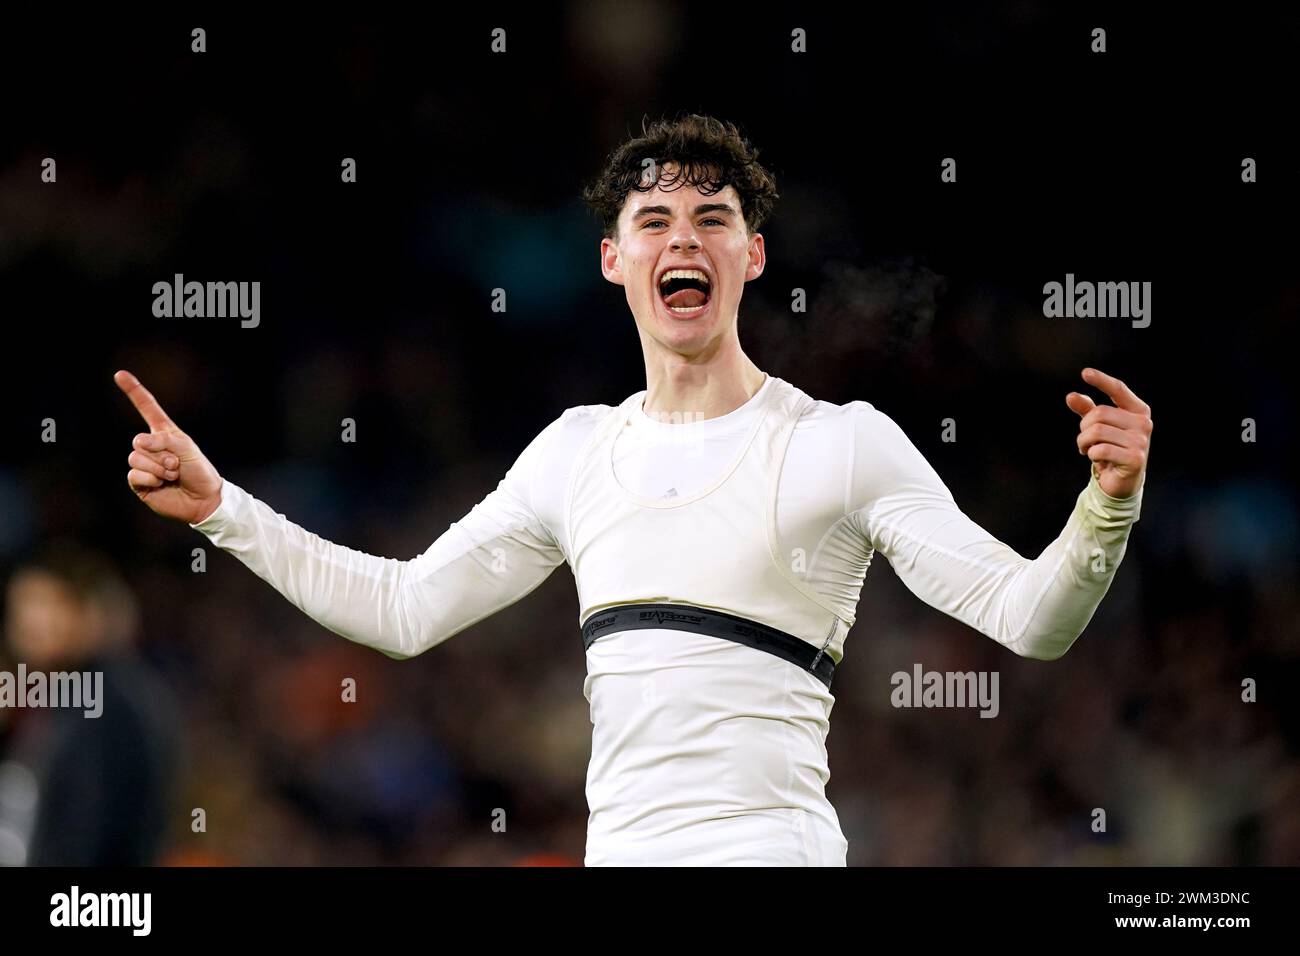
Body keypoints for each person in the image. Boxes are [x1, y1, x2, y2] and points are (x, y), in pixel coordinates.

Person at [114, 113, 1153, 866]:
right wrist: (222, 507)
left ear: (751, 253)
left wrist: (1105, 503)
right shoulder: (574, 451)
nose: (682, 238)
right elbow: (403, 608)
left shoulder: (840, 445)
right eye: (653, 220)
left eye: (711, 217)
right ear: (615, 260)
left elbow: (1030, 621)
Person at [0, 542, 178, 865]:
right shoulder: (63, 695)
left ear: (86, 612)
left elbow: (85, 835)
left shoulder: (104, 704)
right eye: (23, 609)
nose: (31, 626)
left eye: (48, 606)